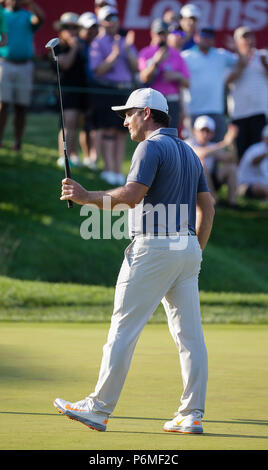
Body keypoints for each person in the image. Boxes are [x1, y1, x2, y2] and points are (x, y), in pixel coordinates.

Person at [54, 87, 215, 434]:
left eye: (128, 113)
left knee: (122, 330)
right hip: (186, 250)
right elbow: (208, 207)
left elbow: (130, 196)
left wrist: (85, 197)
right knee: (190, 337)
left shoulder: (150, 147)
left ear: (146, 113)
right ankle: (191, 414)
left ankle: (98, 408)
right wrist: (195, 250)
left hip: (153, 248)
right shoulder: (189, 152)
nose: (125, 121)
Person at [90, 5, 138, 185]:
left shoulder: (124, 41)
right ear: (102, 22)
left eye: (114, 18)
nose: (112, 22)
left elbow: (135, 67)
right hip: (107, 90)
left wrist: (125, 49)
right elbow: (98, 70)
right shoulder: (98, 43)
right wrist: (114, 55)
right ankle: (108, 168)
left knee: (120, 131)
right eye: (108, 19)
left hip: (123, 90)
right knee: (109, 129)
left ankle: (118, 171)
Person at [0, 0, 45, 151]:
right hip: (4, 64)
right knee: (2, 105)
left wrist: (30, 3)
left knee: (21, 107)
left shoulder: (27, 15)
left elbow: (40, 19)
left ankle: (17, 142)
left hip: (24, 65)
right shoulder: (2, 14)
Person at [181, 26, 238, 142]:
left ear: (213, 40)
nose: (206, 39)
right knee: (193, 151)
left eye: (210, 37)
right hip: (193, 111)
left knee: (217, 150)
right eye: (203, 36)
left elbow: (241, 63)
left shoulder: (221, 55)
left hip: (216, 111)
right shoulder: (186, 56)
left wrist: (236, 48)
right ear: (196, 37)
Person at [52, 12, 90, 168]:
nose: (71, 31)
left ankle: (73, 155)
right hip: (65, 90)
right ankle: (63, 156)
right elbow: (65, 64)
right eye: (67, 27)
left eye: (75, 28)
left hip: (81, 90)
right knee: (68, 123)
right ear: (61, 29)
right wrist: (74, 48)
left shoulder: (82, 45)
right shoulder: (56, 45)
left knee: (76, 124)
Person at [139, 18, 190, 129]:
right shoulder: (146, 53)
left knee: (170, 137)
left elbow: (187, 83)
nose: (162, 37)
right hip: (153, 101)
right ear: (152, 34)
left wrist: (177, 76)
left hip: (172, 101)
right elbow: (144, 78)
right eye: (159, 33)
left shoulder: (176, 54)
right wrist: (156, 63)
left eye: (164, 34)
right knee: (153, 135)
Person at [226, 26, 268, 161]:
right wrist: (241, 65)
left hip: (260, 113)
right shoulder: (231, 60)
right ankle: (243, 182)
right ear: (237, 41)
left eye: (250, 36)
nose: (248, 40)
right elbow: (227, 81)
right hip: (239, 114)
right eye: (244, 37)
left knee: (259, 152)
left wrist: (265, 66)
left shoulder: (263, 57)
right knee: (241, 154)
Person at [186, 115, 239, 207]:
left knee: (231, 168)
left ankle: (232, 203)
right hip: (191, 183)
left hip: (211, 179)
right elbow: (200, 153)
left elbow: (231, 159)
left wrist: (231, 142)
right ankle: (214, 200)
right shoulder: (188, 143)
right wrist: (224, 143)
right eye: (202, 130)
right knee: (201, 166)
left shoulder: (213, 146)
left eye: (208, 131)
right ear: (195, 131)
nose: (205, 134)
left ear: (212, 134)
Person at [77, 12, 100, 170]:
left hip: (96, 89)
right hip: (81, 90)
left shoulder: (98, 44)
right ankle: (86, 156)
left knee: (93, 125)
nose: (91, 32)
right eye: (88, 29)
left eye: (94, 28)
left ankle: (92, 158)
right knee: (85, 124)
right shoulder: (78, 45)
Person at [237, 124, 268, 200]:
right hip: (245, 185)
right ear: (264, 138)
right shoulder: (255, 148)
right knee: (261, 188)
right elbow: (254, 162)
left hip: (263, 184)